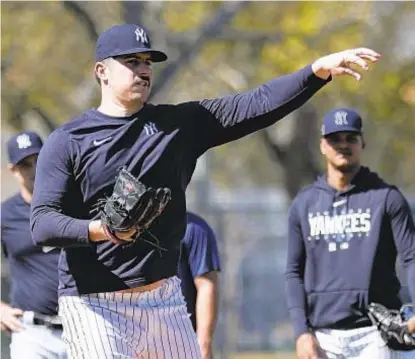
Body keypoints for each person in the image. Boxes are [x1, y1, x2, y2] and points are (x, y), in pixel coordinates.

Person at [30, 22, 380, 358]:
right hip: (95, 305)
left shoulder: (177, 126)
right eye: (131, 61)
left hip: (164, 300)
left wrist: (317, 71)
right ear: (102, 71)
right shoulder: (69, 141)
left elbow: (256, 104)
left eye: (148, 62)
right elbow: (42, 223)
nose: (143, 70)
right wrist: (101, 230)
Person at [285, 108, 415, 359]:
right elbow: (293, 272)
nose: (343, 145)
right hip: (323, 337)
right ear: (323, 145)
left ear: (362, 143)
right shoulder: (304, 204)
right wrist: (301, 332)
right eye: (335, 138)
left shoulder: (386, 198)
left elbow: (411, 257)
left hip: (376, 335)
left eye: (350, 138)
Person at [1, 131, 67, 359]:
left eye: (38, 160)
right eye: (25, 165)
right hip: (33, 334)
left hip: (85, 326)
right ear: (13, 170)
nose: (34, 169)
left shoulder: (74, 203)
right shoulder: (5, 216)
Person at [178, 212, 221, 359]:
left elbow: (206, 285)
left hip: (182, 344)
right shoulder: (126, 229)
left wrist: (203, 344)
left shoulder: (194, 228)